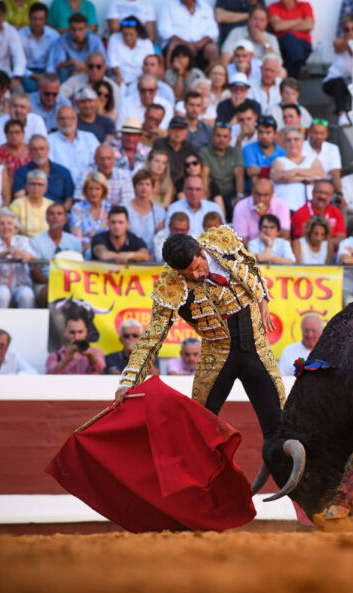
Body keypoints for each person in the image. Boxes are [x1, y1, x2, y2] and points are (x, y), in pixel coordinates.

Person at [112, 228, 285, 452]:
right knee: (198, 429)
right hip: (218, 355)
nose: (195, 276)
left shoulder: (222, 241)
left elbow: (249, 262)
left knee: (280, 425)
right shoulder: (170, 285)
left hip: (257, 347)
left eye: (196, 268)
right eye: (186, 274)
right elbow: (152, 337)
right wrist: (129, 382)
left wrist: (262, 296)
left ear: (202, 251)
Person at [0, 207, 36, 307]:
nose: (5, 227)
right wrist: (7, 252)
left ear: (15, 227)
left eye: (9, 224)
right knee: (3, 293)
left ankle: (27, 323)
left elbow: (33, 259)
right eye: (1, 224)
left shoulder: (23, 240)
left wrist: (26, 255)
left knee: (26, 293)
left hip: (18, 285)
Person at [29, 201, 82, 306]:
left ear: (65, 219)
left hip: (71, 284)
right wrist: (56, 285)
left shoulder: (74, 242)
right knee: (48, 293)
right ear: (47, 218)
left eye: (59, 214)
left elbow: (80, 270)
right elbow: (35, 273)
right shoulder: (35, 241)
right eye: (51, 214)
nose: (55, 217)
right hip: (45, 284)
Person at [270, 126, 324, 213]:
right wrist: (308, 177)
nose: (292, 143)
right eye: (289, 140)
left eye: (296, 139)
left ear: (303, 141)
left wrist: (295, 171)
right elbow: (284, 177)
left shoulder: (312, 159)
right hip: (285, 208)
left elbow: (320, 175)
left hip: (309, 208)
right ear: (284, 143)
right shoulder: (278, 161)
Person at [12, 135, 74, 210]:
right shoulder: (21, 172)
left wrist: (59, 214)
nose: (38, 152)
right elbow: (19, 197)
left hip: (57, 216)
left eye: (42, 149)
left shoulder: (63, 172)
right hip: (31, 213)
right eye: (34, 149)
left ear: (48, 150)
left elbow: (69, 198)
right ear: (29, 152)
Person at [199, 122, 246, 218]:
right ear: (212, 136)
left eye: (225, 136)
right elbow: (204, 176)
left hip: (231, 193)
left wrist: (239, 196)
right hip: (213, 194)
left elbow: (239, 176)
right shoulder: (205, 152)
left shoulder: (236, 152)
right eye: (218, 136)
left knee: (240, 207)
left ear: (230, 139)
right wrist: (204, 198)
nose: (222, 140)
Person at [157, 0, 220, 70]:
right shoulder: (168, 5)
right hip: (179, 44)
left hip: (200, 46)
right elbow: (164, 30)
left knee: (212, 48)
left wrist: (200, 43)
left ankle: (214, 76)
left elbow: (214, 31)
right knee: (173, 46)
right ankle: (169, 77)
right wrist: (186, 44)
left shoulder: (205, 7)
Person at [46, 12, 105, 82]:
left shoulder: (96, 41)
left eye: (80, 29)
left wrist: (84, 70)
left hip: (91, 72)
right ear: (69, 29)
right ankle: (64, 91)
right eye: (73, 29)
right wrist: (73, 62)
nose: (77, 33)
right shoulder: (62, 40)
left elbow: (105, 64)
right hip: (70, 74)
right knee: (62, 71)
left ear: (86, 28)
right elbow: (59, 65)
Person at [232, 177, 290, 244]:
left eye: (265, 195)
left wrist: (264, 216)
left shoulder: (281, 205)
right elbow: (241, 240)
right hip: (251, 251)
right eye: (258, 194)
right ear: (252, 193)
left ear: (272, 194)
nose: (261, 199)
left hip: (276, 250)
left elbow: (285, 236)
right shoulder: (241, 207)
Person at [290, 178, 346, 247]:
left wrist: (320, 242)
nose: (322, 196)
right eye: (319, 192)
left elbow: (341, 238)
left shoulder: (337, 213)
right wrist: (328, 242)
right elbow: (303, 239)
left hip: (331, 253)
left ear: (331, 196)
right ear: (313, 193)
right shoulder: (300, 213)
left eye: (326, 193)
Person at [18, 2, 60, 93]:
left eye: (41, 19)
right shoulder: (20, 35)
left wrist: (46, 76)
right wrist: (32, 75)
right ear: (29, 18)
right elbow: (18, 62)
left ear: (46, 19)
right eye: (34, 19)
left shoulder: (54, 35)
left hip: (47, 71)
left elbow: (52, 61)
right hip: (27, 72)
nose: (37, 22)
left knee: (50, 88)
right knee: (32, 88)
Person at [76, 143, 135, 208]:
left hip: (116, 216)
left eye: (109, 158)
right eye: (102, 159)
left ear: (114, 159)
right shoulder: (84, 176)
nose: (106, 163)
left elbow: (128, 204)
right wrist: (112, 205)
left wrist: (98, 205)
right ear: (95, 160)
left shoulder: (124, 176)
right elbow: (79, 203)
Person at [47, 105, 100, 173]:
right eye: (62, 118)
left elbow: (98, 162)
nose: (66, 122)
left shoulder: (89, 138)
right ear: (57, 120)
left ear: (76, 119)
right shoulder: (49, 140)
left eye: (69, 118)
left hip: (88, 181)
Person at [68, 170, 110, 256]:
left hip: (107, 250)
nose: (93, 193)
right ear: (85, 190)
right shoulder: (77, 208)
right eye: (90, 189)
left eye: (97, 189)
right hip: (84, 251)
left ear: (103, 190)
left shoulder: (109, 208)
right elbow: (76, 236)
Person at [268, 0, 314, 79]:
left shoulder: (305, 5)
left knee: (290, 42)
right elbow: (277, 26)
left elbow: (308, 25)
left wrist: (285, 26)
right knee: (289, 37)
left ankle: (296, 71)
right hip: (282, 44)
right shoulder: (273, 7)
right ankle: (300, 66)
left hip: (302, 46)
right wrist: (299, 21)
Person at [106, 15, 154, 87]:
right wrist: (119, 77)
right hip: (119, 79)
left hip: (140, 80)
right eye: (125, 34)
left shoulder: (146, 43)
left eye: (131, 34)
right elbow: (112, 61)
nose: (128, 37)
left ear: (138, 33)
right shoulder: (114, 38)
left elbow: (150, 63)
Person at [127, 169, 166, 252]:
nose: (144, 188)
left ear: (152, 187)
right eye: (140, 184)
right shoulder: (125, 208)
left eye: (147, 184)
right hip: (129, 255)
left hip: (152, 259)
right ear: (134, 186)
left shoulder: (159, 211)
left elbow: (160, 238)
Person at [242, 115, 286, 190]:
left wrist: (260, 170)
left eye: (268, 133)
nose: (264, 136)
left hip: (278, 191)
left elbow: (283, 175)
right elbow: (251, 173)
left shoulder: (282, 152)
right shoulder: (248, 149)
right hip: (254, 192)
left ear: (275, 134)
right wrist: (273, 171)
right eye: (260, 132)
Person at [152, 115, 198, 183]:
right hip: (162, 181)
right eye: (175, 129)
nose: (178, 133)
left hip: (183, 184)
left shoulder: (190, 148)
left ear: (186, 132)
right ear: (168, 130)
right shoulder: (159, 144)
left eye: (181, 129)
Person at [303, 119, 342, 195]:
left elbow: (335, 173)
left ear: (326, 134)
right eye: (315, 133)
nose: (318, 136)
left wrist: (339, 193)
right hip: (305, 187)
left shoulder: (333, 148)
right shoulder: (300, 147)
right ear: (309, 133)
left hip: (325, 189)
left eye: (322, 133)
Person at [9, 169, 51, 237]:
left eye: (40, 184)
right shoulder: (17, 204)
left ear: (46, 187)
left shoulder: (51, 205)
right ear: (27, 186)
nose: (36, 187)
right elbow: (12, 229)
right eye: (32, 184)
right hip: (24, 244)